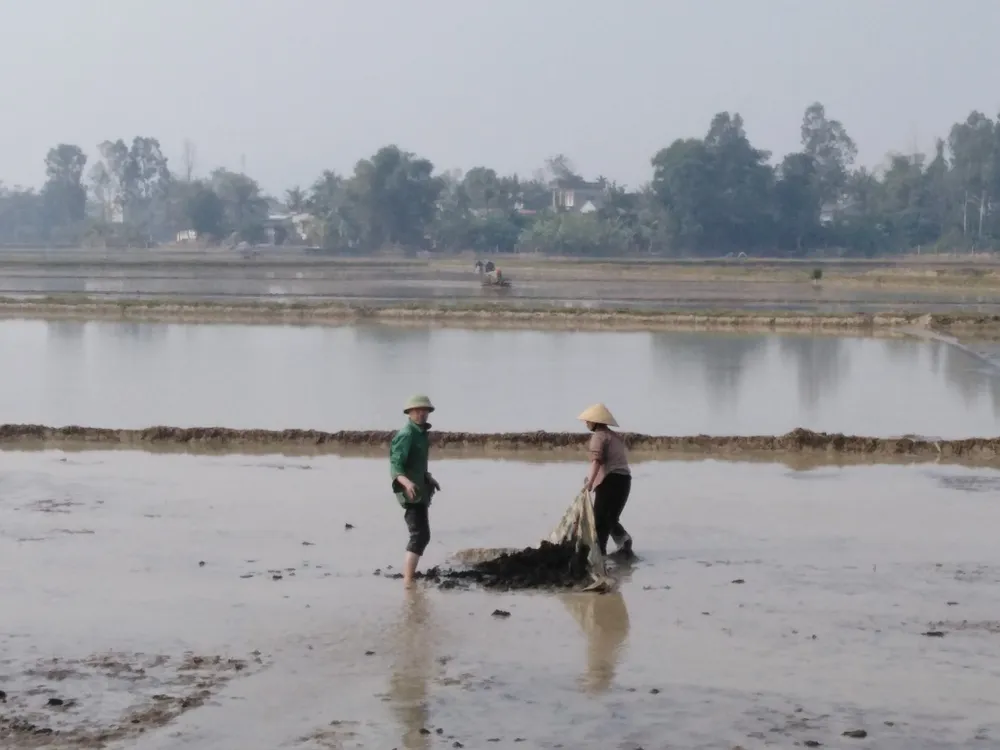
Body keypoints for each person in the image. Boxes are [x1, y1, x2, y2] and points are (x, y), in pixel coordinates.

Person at [390, 395, 441, 587]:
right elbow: (395, 466)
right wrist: (407, 483)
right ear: (410, 413)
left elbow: (417, 463)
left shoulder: (420, 434)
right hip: (410, 493)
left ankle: (409, 576)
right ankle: (408, 581)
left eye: (425, 410)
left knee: (423, 535)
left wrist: (428, 477)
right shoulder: (406, 434)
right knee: (419, 535)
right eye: (418, 410)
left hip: (421, 490)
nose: (422, 414)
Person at [578, 403, 633, 557]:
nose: (586, 423)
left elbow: (597, 461)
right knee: (610, 517)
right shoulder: (614, 436)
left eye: (588, 420)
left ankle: (599, 553)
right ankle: (624, 541)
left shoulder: (599, 436)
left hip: (611, 480)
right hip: (624, 480)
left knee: (600, 520)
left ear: (596, 422)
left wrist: (590, 482)